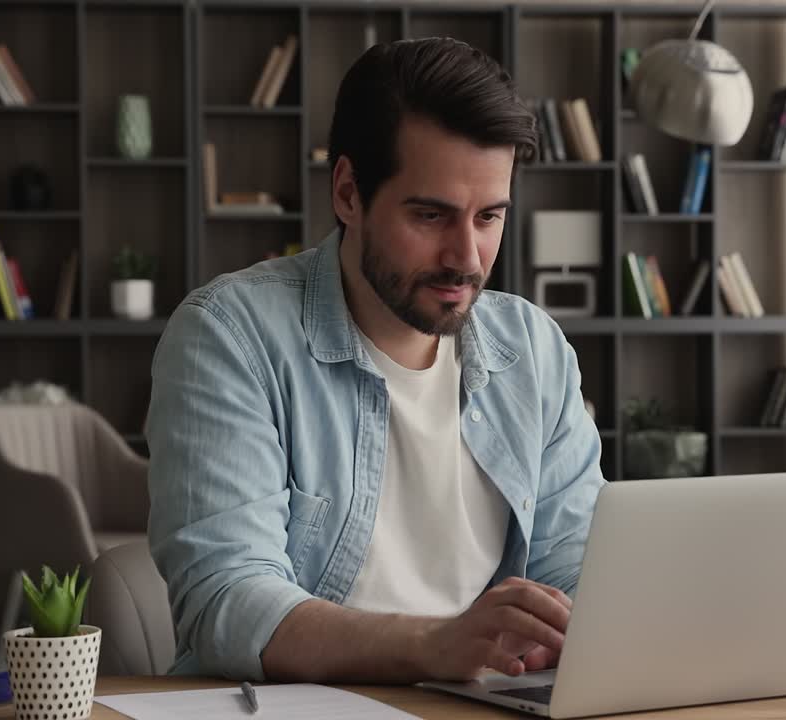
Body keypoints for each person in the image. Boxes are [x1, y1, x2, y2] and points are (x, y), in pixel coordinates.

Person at [145, 37, 606, 685]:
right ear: (348, 193)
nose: (467, 258)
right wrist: (434, 645)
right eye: (431, 214)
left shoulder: (533, 350)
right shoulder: (229, 336)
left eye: (489, 217)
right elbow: (226, 600)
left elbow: (577, 568)